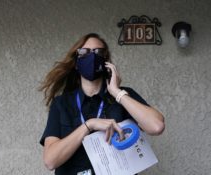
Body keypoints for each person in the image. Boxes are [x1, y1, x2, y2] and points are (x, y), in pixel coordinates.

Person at [39, 33, 165, 175]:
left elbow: (156, 126)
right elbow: (50, 161)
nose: (92, 57)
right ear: (76, 63)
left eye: (98, 52)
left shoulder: (123, 95)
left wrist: (117, 92)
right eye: (84, 52)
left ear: (106, 61)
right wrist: (89, 125)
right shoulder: (61, 103)